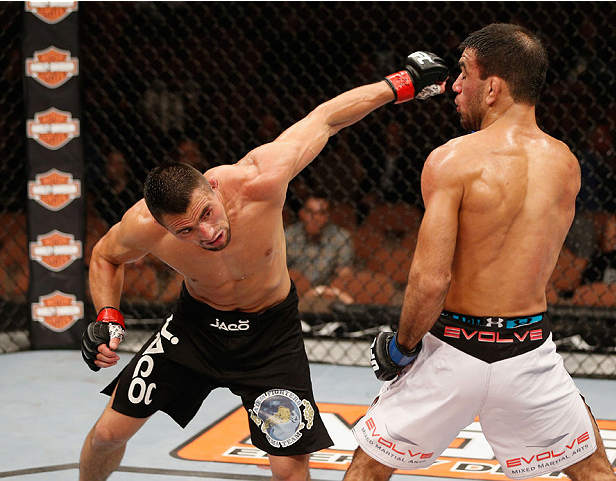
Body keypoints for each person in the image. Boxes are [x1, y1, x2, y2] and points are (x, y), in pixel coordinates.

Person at [78, 52, 448, 481]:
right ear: (160, 226)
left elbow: (326, 118)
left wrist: (401, 82)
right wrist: (107, 315)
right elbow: (105, 256)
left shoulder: (260, 180)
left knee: (290, 472)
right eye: (186, 231)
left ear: (212, 186)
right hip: (194, 328)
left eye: (206, 213)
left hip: (271, 337)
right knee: (107, 434)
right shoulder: (143, 227)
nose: (207, 233)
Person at [344, 24, 616, 481]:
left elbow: (431, 281)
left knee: (368, 466)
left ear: (492, 88)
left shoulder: (453, 160)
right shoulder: (566, 163)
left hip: (453, 349)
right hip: (528, 351)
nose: (453, 85)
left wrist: (401, 347)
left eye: (463, 73)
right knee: (592, 469)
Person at [286, 194, 355, 287]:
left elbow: (345, 273)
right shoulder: (289, 235)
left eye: (322, 213)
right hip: (293, 290)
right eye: (310, 212)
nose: (316, 218)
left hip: (327, 291)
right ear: (301, 213)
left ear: (328, 216)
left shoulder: (341, 237)